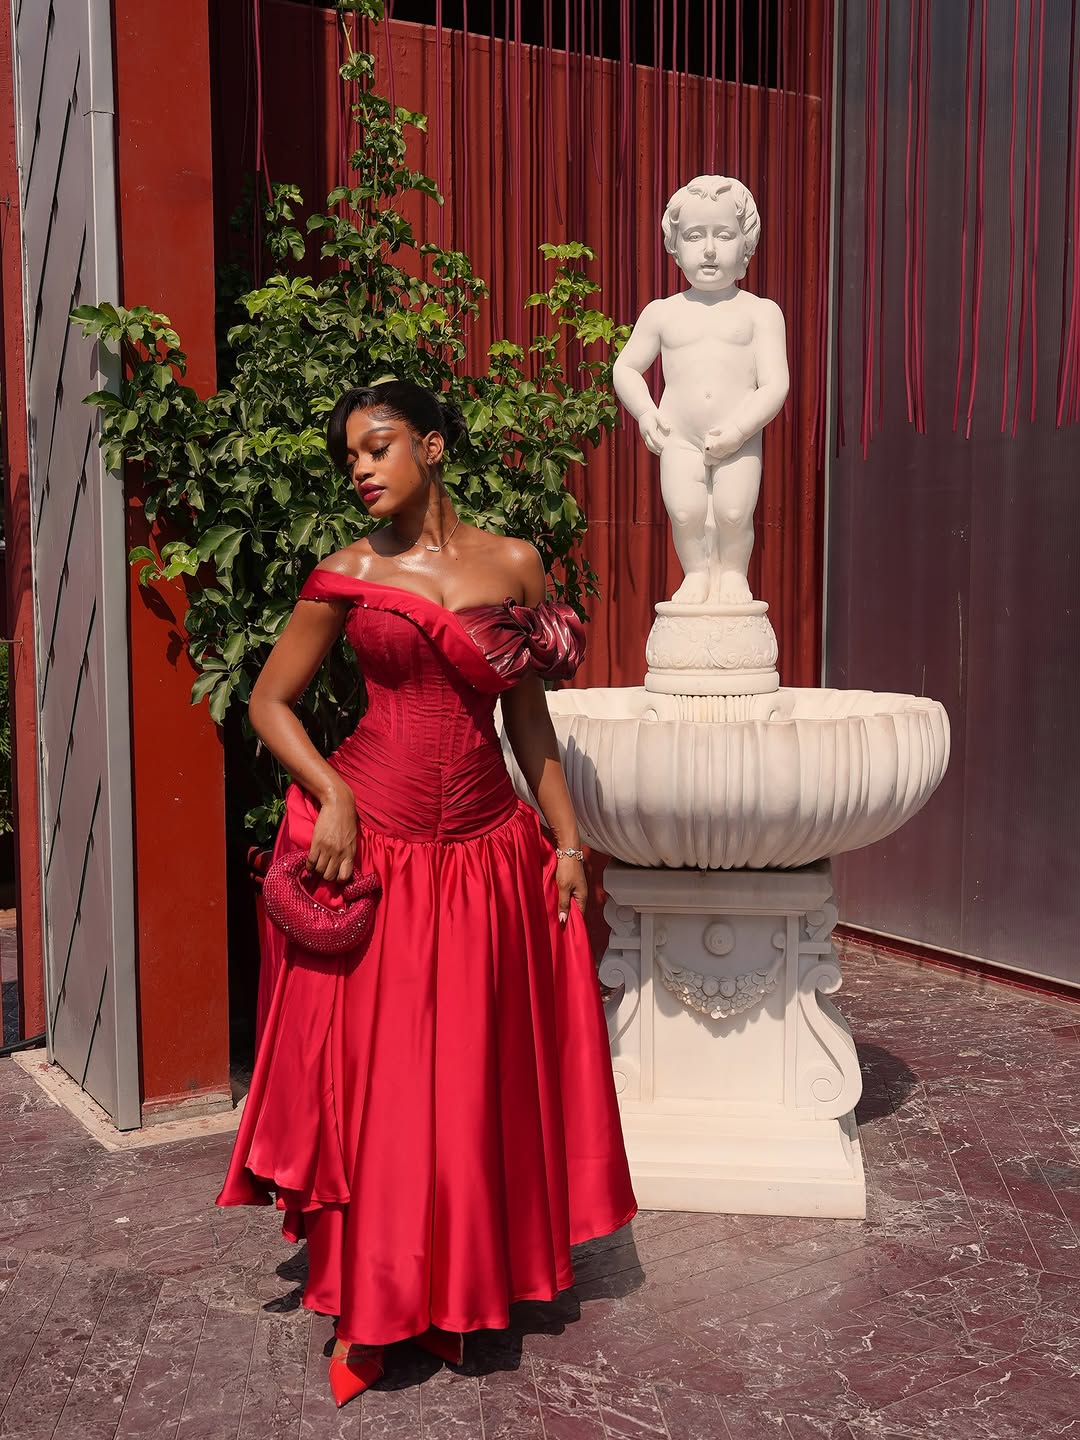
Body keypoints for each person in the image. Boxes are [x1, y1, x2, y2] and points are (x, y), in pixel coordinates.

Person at [216, 379, 636, 1407]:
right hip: (385, 850)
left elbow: (527, 721)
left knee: (469, 1079)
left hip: (489, 852)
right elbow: (269, 701)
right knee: (384, 1084)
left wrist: (567, 840)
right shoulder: (348, 574)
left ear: (434, 446)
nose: (361, 469)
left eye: (378, 446)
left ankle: (456, 1293)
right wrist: (332, 794)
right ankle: (371, 1308)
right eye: (350, 457)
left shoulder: (514, 563)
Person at [612, 175, 790, 606]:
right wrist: (646, 412)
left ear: (746, 245)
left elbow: (776, 384)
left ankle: (732, 573)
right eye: (694, 236)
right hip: (680, 435)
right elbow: (626, 368)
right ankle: (695, 572)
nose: (709, 249)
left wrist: (739, 429)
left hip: (739, 435)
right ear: (675, 246)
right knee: (685, 511)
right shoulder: (662, 313)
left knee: (733, 511)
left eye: (724, 235)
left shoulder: (760, 313)